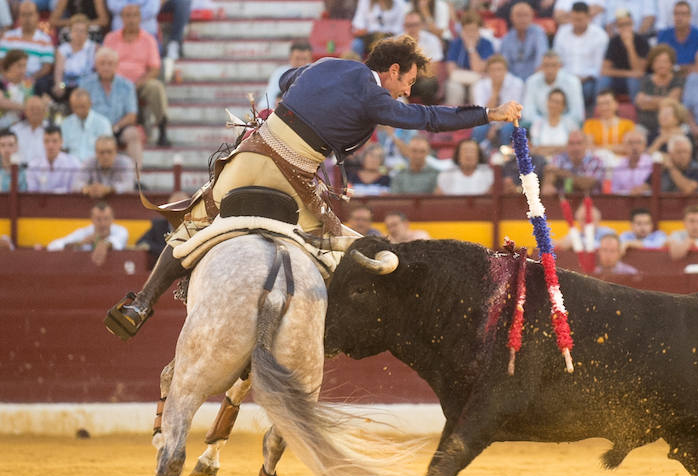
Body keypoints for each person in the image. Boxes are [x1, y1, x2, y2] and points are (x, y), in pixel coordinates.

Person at [106, 35, 523, 339]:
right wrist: (490, 113)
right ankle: (324, 332)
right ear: (392, 70)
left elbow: (288, 78)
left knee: (194, 221)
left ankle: (141, 302)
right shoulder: (376, 98)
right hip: (294, 180)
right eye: (407, 82)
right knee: (340, 245)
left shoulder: (325, 63)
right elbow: (429, 119)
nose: (407, 92)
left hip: (253, 152)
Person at [103, 3, 171, 146]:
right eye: (127, 16)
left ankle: (162, 127)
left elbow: (154, 68)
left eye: (134, 15)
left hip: (139, 83)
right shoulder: (111, 38)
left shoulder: (149, 40)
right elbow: (103, 62)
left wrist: (136, 84)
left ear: (140, 18)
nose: (131, 19)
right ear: (122, 18)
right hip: (114, 83)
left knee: (156, 87)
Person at [79, 48, 143, 168]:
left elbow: (131, 115)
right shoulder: (85, 84)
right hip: (93, 127)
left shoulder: (127, 85)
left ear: (116, 65)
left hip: (118, 128)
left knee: (133, 134)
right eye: (102, 63)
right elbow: (81, 110)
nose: (106, 67)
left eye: (110, 64)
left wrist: (115, 127)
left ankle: (135, 178)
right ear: (96, 65)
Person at [552, 2, 608, 118]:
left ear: (589, 18)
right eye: (573, 19)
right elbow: (556, 60)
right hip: (565, 77)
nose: (576, 23)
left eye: (580, 19)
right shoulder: (562, 32)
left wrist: (583, 78)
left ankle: (585, 118)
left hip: (588, 80)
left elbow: (599, 66)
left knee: (588, 89)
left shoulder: (600, 35)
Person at [47, 200, 129, 266]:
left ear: (112, 219)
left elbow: (116, 241)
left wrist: (104, 244)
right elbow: (52, 246)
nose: (103, 223)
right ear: (92, 219)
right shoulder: (84, 233)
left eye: (106, 219)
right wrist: (81, 243)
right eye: (98, 219)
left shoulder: (121, 231)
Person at [0, 2, 54, 94]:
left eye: (30, 14)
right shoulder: (8, 37)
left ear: (37, 16)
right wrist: (8, 77)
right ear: (19, 17)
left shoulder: (45, 40)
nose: (27, 19)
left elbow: (46, 67)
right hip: (7, 80)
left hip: (34, 80)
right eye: (23, 15)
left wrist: (30, 79)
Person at [471, 54, 523, 149]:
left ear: (506, 70)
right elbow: (481, 113)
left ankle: (505, 158)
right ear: (488, 72)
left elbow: (513, 113)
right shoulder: (480, 85)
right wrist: (495, 93)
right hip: (488, 121)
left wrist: (495, 127)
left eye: (499, 69)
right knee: (478, 129)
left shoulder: (516, 84)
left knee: (507, 130)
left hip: (509, 121)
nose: (497, 73)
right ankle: (480, 156)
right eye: (493, 70)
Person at [444, 11, 494, 105]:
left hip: (476, 82)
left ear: (479, 29)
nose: (471, 33)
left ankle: (477, 119)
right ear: (462, 30)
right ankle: (452, 118)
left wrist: (471, 48)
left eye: (474, 30)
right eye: (467, 30)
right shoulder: (456, 43)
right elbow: (451, 72)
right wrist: (478, 75)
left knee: (477, 88)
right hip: (460, 81)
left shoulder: (486, 44)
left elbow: (478, 68)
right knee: (454, 87)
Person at [522, 50, 585, 125]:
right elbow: (528, 112)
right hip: (539, 124)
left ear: (560, 66)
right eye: (546, 65)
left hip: (566, 125)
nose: (550, 70)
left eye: (553, 65)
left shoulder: (572, 82)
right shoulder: (532, 81)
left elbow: (577, 114)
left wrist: (557, 123)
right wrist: (545, 124)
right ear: (541, 66)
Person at [597, 9, 649, 101]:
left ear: (632, 24)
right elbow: (604, 71)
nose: (625, 28)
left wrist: (630, 47)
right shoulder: (614, 41)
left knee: (633, 81)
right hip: (619, 79)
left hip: (635, 80)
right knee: (603, 80)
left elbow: (639, 71)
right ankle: (599, 109)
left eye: (627, 24)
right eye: (621, 25)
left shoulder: (641, 40)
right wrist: (629, 74)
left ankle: (637, 112)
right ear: (617, 27)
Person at [634, 44, 684, 139]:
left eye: (665, 61)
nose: (662, 65)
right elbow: (639, 102)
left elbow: (671, 103)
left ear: (671, 64)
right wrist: (662, 102)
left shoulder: (678, 80)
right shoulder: (646, 80)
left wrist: (648, 99)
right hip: (645, 125)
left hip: (671, 125)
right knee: (636, 136)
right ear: (652, 64)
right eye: (657, 61)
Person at [542, 129, 604, 195]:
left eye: (579, 143)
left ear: (586, 145)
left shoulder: (595, 161)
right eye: (571, 143)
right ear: (567, 145)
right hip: (562, 201)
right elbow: (550, 174)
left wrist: (561, 173)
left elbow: (586, 184)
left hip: (590, 201)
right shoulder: (559, 159)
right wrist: (548, 184)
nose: (575, 148)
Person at [52, 14, 98, 103]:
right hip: (67, 86)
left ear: (87, 33)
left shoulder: (94, 48)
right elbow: (59, 71)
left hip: (87, 86)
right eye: (76, 30)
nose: (79, 34)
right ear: (70, 32)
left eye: (82, 31)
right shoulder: (63, 49)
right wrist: (59, 85)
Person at [499, 2, 548, 83]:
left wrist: (533, 81)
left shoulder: (538, 33)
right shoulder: (507, 38)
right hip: (513, 82)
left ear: (532, 17)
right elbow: (504, 64)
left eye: (526, 15)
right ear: (511, 17)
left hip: (534, 79)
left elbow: (541, 59)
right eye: (518, 15)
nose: (522, 19)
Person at [61, 88, 113, 163]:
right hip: (72, 168)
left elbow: (108, 149)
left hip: (96, 167)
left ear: (90, 104)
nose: (79, 110)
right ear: (71, 106)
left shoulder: (103, 123)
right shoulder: (65, 124)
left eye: (82, 106)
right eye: (75, 107)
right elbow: (63, 149)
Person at [656, 1, 698, 70]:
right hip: (669, 77)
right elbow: (658, 62)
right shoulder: (663, 35)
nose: (679, 17)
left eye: (683, 14)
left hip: (694, 77)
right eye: (676, 14)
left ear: (690, 16)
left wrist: (678, 69)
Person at [402, 11, 443, 104]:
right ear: (404, 25)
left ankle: (428, 113)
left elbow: (433, 69)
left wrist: (410, 72)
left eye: (415, 25)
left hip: (422, 79)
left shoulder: (432, 40)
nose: (412, 28)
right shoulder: (397, 41)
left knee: (428, 83)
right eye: (409, 25)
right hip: (402, 80)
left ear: (421, 25)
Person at [26, 125, 82, 193]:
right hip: (41, 203)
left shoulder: (73, 163)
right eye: (47, 141)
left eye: (54, 141)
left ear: (61, 142)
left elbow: (74, 191)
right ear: (43, 142)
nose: (50, 145)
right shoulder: (33, 165)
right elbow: (32, 193)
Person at [261, 40, 313, 110]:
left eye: (304, 59)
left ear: (310, 58)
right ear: (290, 57)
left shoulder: (313, 75)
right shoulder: (280, 74)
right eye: (297, 59)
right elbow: (267, 101)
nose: (300, 63)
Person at [529, 88, 579, 156]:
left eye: (557, 102)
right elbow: (535, 149)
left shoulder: (570, 124)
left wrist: (545, 148)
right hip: (541, 162)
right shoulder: (537, 124)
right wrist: (560, 148)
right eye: (551, 101)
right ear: (547, 102)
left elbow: (573, 148)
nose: (553, 105)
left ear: (563, 106)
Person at [610, 129, 653, 194]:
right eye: (630, 143)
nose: (634, 147)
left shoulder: (652, 163)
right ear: (624, 146)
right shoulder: (618, 165)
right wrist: (629, 193)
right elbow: (614, 191)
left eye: (638, 142)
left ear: (645, 145)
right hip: (624, 202)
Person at [11, 95, 47, 164]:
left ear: (44, 111)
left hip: (45, 172)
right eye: (31, 109)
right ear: (25, 111)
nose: (35, 112)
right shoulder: (14, 130)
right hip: (20, 171)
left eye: (38, 109)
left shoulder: (52, 131)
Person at [0, 50, 30, 130]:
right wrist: (26, 107)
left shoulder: (28, 84)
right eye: (19, 66)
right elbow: (1, 101)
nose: (23, 70)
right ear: (9, 65)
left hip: (24, 126)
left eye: (25, 66)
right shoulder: (1, 81)